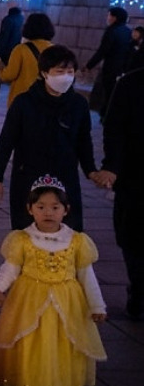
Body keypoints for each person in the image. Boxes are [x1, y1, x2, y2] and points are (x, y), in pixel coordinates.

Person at [0, 176, 107, 386]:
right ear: (30, 209)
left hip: (68, 303)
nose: (48, 212)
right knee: (30, 341)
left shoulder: (77, 241)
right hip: (29, 301)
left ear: (66, 210)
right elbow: (10, 268)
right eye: (41, 207)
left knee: (64, 342)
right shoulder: (22, 239)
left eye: (55, 207)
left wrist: (97, 305)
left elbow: (87, 275)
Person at [0, 45, 99, 232]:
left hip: (65, 175)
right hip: (28, 175)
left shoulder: (78, 104)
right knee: (27, 230)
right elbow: (6, 141)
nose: (66, 77)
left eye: (70, 72)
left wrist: (91, 171)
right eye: (60, 72)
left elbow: (83, 141)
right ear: (44, 73)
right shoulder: (24, 103)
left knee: (68, 230)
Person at [97, 65, 144, 320]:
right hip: (134, 177)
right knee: (131, 236)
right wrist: (112, 167)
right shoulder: (129, 84)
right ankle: (138, 289)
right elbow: (114, 129)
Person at [83, 6, 133, 119]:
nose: (107, 18)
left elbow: (103, 50)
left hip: (110, 67)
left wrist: (89, 65)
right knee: (115, 93)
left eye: (109, 15)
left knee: (107, 92)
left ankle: (105, 115)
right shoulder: (128, 31)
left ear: (115, 17)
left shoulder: (111, 31)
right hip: (122, 68)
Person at [0, 12, 55, 108]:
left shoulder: (21, 49)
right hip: (45, 99)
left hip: (22, 98)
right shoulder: (55, 50)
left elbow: (9, 75)